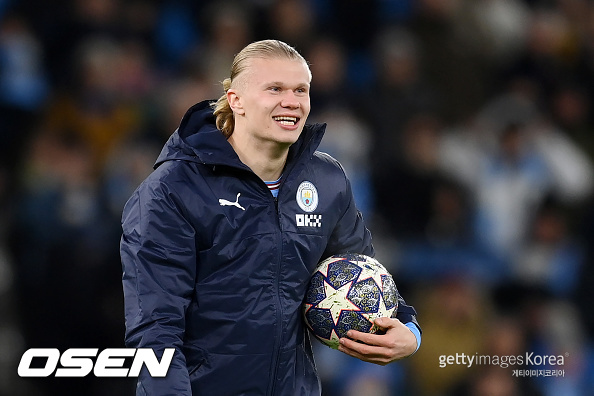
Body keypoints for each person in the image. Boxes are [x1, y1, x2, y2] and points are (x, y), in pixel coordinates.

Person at [120, 39, 421, 395]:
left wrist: (408, 330)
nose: (291, 101)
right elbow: (156, 327)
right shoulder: (172, 190)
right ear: (236, 100)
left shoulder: (327, 181)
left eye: (301, 90)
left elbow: (362, 272)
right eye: (274, 89)